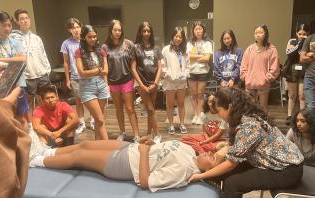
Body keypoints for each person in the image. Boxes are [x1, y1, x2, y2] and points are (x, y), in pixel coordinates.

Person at [189, 88, 304, 198]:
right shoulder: (244, 116)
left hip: (287, 171)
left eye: (219, 111)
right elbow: (232, 146)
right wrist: (217, 158)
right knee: (223, 174)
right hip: (274, 162)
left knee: (233, 184)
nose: (219, 115)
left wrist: (201, 175)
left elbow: (231, 163)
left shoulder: (249, 126)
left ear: (229, 107)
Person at [27, 136, 224, 192]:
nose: (211, 152)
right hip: (131, 147)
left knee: (79, 155)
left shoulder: (185, 171)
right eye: (214, 154)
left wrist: (145, 153)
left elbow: (147, 182)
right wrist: (151, 145)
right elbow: (162, 152)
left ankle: (35, 160)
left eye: (213, 159)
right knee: (85, 143)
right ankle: (46, 150)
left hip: (127, 165)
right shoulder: (190, 151)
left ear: (207, 170)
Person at [13, 9, 51, 131]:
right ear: (18, 22)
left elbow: (43, 55)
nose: (25, 20)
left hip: (41, 74)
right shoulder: (14, 39)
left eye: (26, 18)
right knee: (27, 102)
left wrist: (47, 70)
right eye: (22, 19)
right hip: (27, 76)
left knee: (45, 100)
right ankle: (30, 125)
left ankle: (45, 122)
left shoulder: (36, 38)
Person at [103, 20, 140, 142]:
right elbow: (105, 66)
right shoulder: (105, 47)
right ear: (111, 31)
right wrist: (106, 82)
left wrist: (134, 77)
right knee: (118, 108)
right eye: (115, 30)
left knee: (130, 108)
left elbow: (134, 60)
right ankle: (122, 132)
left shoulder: (128, 44)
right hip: (113, 82)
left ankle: (136, 135)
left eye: (119, 30)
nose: (117, 32)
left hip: (127, 80)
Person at [75, 25, 110, 140]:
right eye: (90, 37)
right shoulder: (79, 52)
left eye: (95, 36)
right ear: (84, 37)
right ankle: (107, 146)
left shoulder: (101, 51)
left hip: (101, 85)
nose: (93, 39)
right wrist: (98, 70)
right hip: (87, 88)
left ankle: (97, 143)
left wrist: (95, 72)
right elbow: (81, 73)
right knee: (99, 119)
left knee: (99, 119)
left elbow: (106, 71)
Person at [61, 17, 94, 133]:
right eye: (73, 28)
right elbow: (66, 62)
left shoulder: (86, 40)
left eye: (77, 27)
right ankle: (82, 123)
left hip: (88, 75)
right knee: (79, 101)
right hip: (75, 77)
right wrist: (67, 79)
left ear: (81, 27)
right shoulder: (66, 43)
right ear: (69, 30)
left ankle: (93, 121)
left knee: (91, 100)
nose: (76, 30)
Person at [131, 21, 162, 143]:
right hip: (141, 83)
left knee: (151, 109)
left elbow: (160, 67)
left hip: (153, 82)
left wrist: (155, 83)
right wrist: (142, 85)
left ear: (151, 32)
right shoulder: (135, 47)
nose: (146, 33)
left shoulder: (156, 48)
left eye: (148, 31)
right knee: (149, 108)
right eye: (144, 31)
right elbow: (133, 68)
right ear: (140, 32)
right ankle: (158, 134)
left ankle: (149, 133)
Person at [0, 86, 31, 198]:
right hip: (36, 156)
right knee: (79, 153)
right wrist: (4, 109)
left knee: (83, 147)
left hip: (39, 148)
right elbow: (9, 186)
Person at [0, 10, 28, 128]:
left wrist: (2, 60)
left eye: (9, 25)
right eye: (3, 25)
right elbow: (18, 60)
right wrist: (14, 59)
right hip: (1, 85)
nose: (7, 28)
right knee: (6, 117)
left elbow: (23, 60)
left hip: (19, 82)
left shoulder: (15, 42)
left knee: (21, 116)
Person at [240, 25, 280, 113]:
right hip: (250, 83)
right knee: (249, 107)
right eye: (256, 33)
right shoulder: (249, 49)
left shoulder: (271, 49)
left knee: (263, 108)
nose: (258, 35)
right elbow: (243, 65)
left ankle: (263, 125)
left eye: (260, 32)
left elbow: (275, 66)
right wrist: (246, 77)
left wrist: (267, 78)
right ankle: (251, 125)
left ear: (265, 33)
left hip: (264, 84)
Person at [161, 26, 189, 134]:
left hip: (181, 82)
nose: (178, 39)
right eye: (176, 36)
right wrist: (168, 74)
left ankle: (182, 124)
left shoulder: (185, 50)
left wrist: (185, 74)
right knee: (170, 104)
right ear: (173, 36)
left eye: (180, 37)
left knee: (181, 104)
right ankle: (171, 125)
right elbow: (162, 65)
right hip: (170, 81)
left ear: (183, 39)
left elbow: (188, 66)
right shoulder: (166, 49)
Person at [187, 21, 213, 125]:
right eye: (196, 29)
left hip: (203, 71)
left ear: (203, 30)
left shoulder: (208, 43)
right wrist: (201, 56)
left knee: (200, 95)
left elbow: (207, 59)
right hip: (192, 71)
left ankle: (200, 114)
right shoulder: (189, 43)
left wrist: (195, 57)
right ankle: (196, 115)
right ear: (193, 31)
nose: (198, 31)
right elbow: (189, 57)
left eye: (200, 29)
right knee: (193, 95)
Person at [284, 24, 309, 125]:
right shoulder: (292, 41)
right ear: (296, 33)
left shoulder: (309, 41)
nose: (302, 36)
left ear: (308, 34)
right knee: (292, 95)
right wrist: (299, 44)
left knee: (302, 95)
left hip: (304, 70)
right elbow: (289, 53)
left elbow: (309, 56)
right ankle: (290, 116)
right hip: (292, 70)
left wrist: (305, 42)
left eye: (304, 34)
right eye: (299, 34)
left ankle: (302, 116)